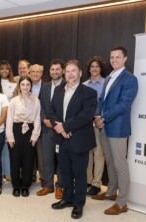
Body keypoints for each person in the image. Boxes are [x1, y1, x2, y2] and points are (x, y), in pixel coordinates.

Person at [93, 46, 138, 215]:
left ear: (125, 59)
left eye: (118, 57)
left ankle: (121, 203)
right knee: (110, 162)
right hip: (104, 126)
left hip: (117, 128)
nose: (114, 60)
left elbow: (124, 105)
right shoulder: (109, 77)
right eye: (112, 57)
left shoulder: (129, 79)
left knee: (120, 165)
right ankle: (111, 192)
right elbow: (101, 100)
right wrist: (98, 116)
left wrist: (103, 118)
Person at [49, 60, 97, 219]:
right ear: (64, 73)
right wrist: (59, 128)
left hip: (79, 139)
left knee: (79, 173)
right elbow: (51, 111)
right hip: (62, 139)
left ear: (80, 73)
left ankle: (78, 204)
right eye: (68, 71)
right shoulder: (58, 90)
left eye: (74, 71)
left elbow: (86, 115)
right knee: (65, 172)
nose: (70, 74)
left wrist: (66, 127)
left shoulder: (89, 92)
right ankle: (67, 199)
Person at [6, 76, 41, 197]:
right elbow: (9, 119)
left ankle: (25, 186)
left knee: (28, 160)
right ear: (19, 86)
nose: (25, 87)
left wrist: (34, 136)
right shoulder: (13, 101)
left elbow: (37, 119)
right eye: (23, 85)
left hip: (29, 131)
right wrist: (10, 137)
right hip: (16, 130)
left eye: (28, 85)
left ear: (31, 86)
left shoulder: (36, 100)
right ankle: (16, 186)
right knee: (15, 160)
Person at [36, 59, 65, 199]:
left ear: (62, 71)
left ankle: (60, 186)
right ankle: (48, 185)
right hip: (46, 128)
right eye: (52, 69)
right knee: (47, 158)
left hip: (61, 129)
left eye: (57, 69)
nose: (55, 72)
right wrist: (43, 119)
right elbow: (40, 105)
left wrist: (57, 123)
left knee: (61, 159)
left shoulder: (68, 86)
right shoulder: (45, 86)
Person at [83, 56, 106, 196]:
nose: (94, 69)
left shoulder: (106, 83)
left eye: (97, 66)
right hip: (86, 123)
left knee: (98, 153)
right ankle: (87, 180)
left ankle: (97, 183)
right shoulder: (84, 85)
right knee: (87, 153)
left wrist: (101, 117)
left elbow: (108, 103)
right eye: (92, 66)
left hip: (99, 122)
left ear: (100, 68)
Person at [0, 60, 17, 183]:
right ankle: (0, 173)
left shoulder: (14, 84)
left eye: (6, 68)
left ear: (9, 71)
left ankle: (8, 172)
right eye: (2, 68)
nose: (4, 71)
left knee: (9, 146)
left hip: (10, 118)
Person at [29, 64, 44, 184]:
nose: (35, 74)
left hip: (43, 124)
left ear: (41, 73)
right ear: (29, 73)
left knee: (42, 153)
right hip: (27, 124)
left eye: (37, 72)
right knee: (29, 151)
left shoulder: (48, 87)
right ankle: (31, 175)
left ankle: (43, 177)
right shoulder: (24, 86)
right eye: (32, 71)